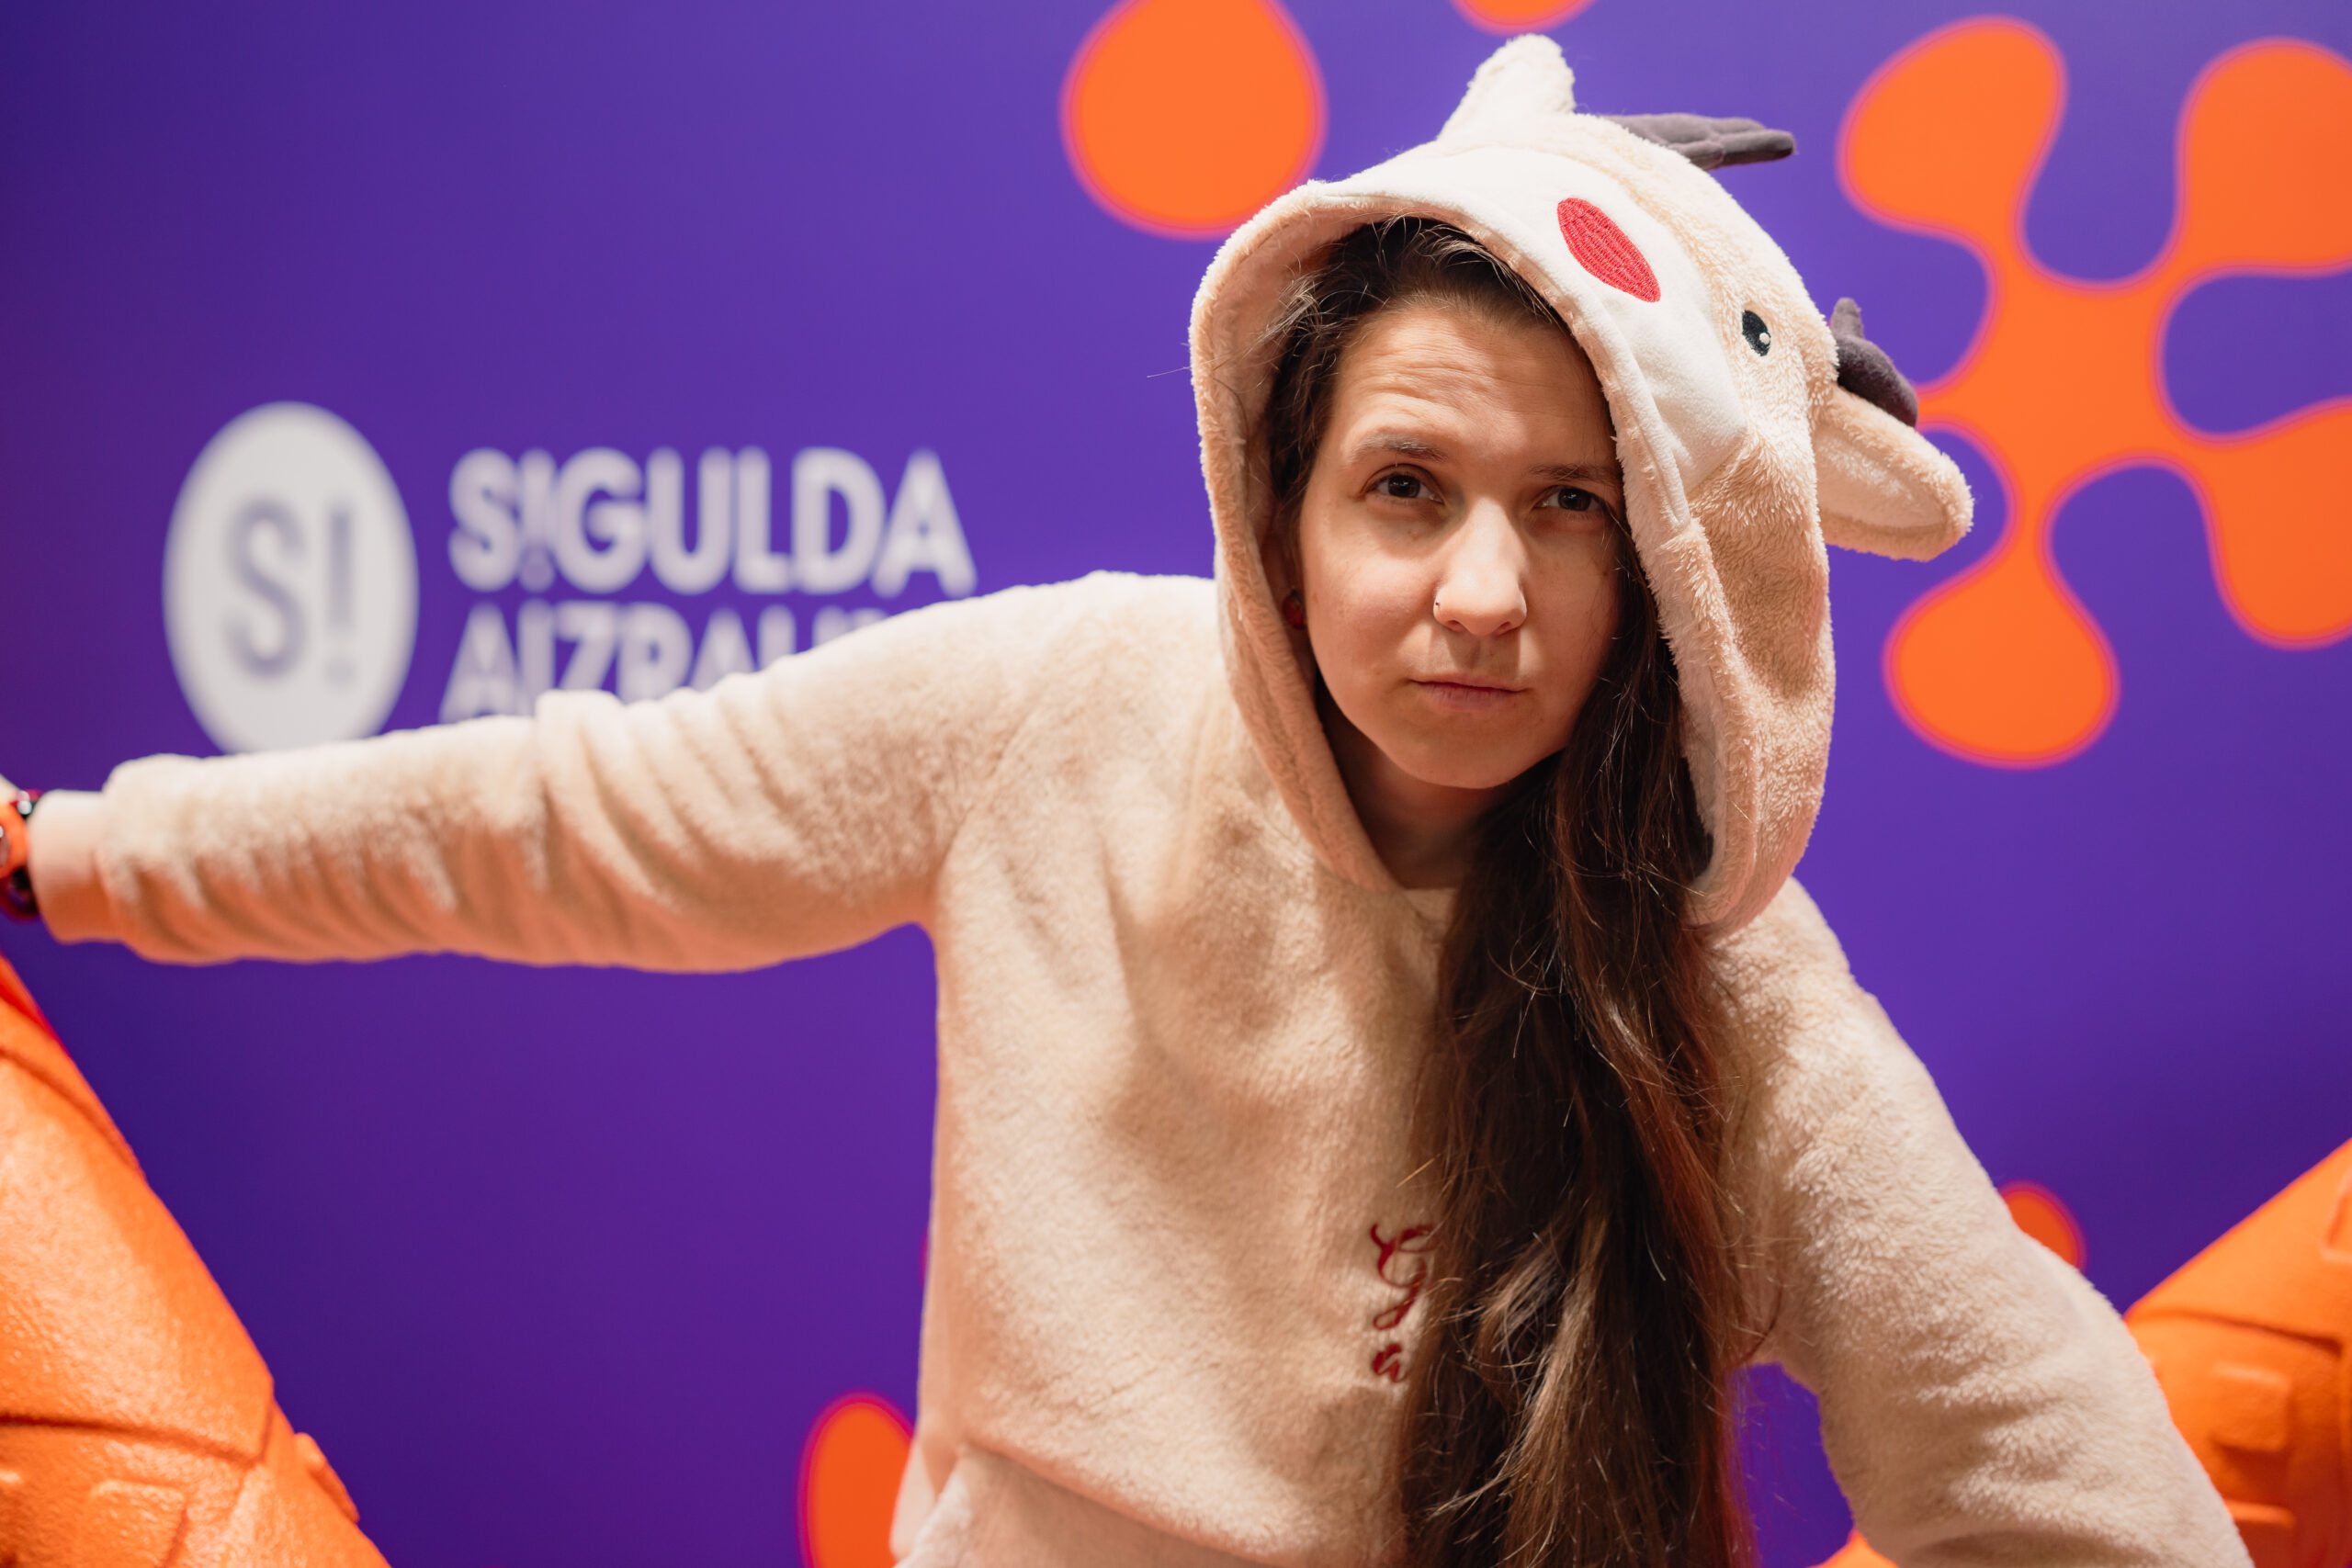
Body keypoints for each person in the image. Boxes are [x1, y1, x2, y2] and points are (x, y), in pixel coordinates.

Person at [0, 37, 2243, 1568]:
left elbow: (2061, 1475)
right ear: (1277, 507)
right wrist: (68, 851)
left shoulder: (1720, 986)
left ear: (1659, 557)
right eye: (1405, 486)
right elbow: (564, 813)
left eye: (1570, 503)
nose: (1481, 593)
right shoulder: (1059, 704)